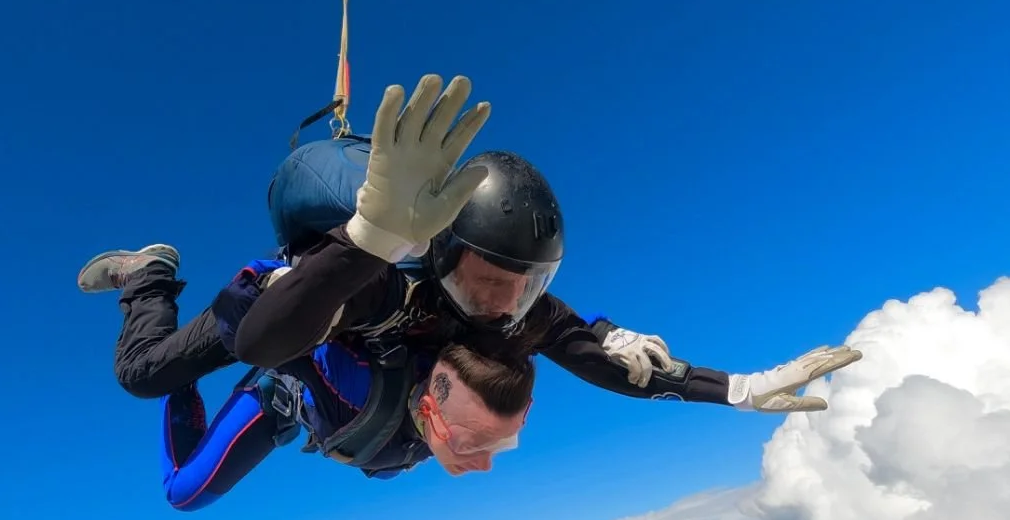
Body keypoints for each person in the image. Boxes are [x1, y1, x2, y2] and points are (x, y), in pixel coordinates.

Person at [79, 72, 860, 420]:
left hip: (356, 299)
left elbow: (610, 368)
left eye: (521, 286)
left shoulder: (524, 315)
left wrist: (740, 389)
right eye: (489, 279)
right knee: (144, 377)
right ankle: (152, 271)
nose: (499, 305)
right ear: (443, 254)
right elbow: (259, 338)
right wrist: (371, 243)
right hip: (310, 287)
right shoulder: (384, 281)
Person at [159, 334, 534, 511]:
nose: (486, 465)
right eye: (472, 445)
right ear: (427, 409)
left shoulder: (468, 396)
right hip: (283, 392)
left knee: (383, 463)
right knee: (184, 492)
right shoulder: (356, 383)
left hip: (368, 427)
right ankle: (174, 363)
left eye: (503, 444)